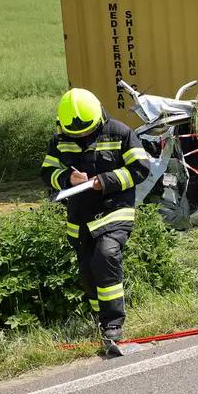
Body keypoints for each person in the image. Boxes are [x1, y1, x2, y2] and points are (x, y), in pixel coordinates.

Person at [41, 88, 150, 342]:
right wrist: (67, 178)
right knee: (89, 271)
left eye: (89, 131)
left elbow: (140, 168)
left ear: (99, 117)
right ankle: (100, 320)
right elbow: (47, 172)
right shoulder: (59, 140)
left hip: (114, 209)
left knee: (106, 255)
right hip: (80, 218)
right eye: (76, 134)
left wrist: (106, 180)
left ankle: (113, 323)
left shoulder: (120, 132)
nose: (84, 137)